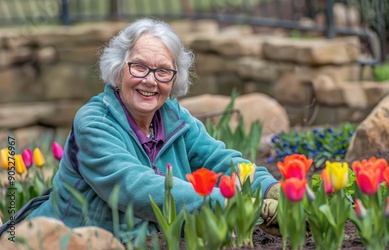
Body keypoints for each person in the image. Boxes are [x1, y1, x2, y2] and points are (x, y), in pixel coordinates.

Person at [0, 17, 280, 242]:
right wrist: (239, 205)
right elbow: (136, 187)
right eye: (139, 67)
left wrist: (269, 188)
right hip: (69, 240)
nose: (150, 81)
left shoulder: (174, 117)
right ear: (118, 69)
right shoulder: (94, 122)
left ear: (174, 79)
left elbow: (220, 160)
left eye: (163, 72)